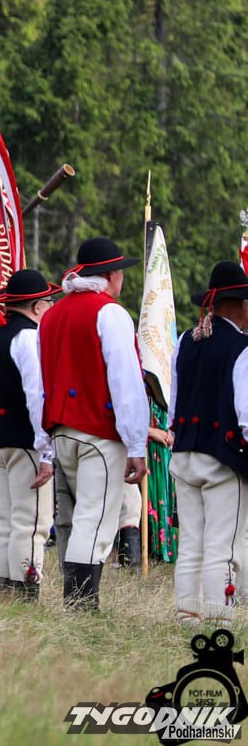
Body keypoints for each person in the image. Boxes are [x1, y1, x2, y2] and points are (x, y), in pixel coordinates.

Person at [40, 236, 150, 611]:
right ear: (112, 275)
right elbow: (126, 382)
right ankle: (80, 606)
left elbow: (42, 381)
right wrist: (136, 443)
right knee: (95, 518)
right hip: (98, 430)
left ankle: (78, 602)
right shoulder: (110, 313)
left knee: (83, 516)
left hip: (61, 429)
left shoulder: (52, 314)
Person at [0, 268, 61, 600]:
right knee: (31, 520)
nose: (51, 308)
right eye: (48, 302)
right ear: (36, 306)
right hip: (24, 439)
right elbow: (37, 397)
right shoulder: (28, 338)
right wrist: (46, 450)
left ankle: (1, 585)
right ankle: (24, 590)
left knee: (5, 518)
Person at [170, 260, 248, 626]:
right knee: (222, 546)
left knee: (191, 543)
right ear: (241, 305)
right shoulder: (242, 347)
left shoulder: (185, 340)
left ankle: (187, 615)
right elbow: (246, 415)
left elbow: (174, 404)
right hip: (223, 459)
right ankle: (219, 620)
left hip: (184, 453)